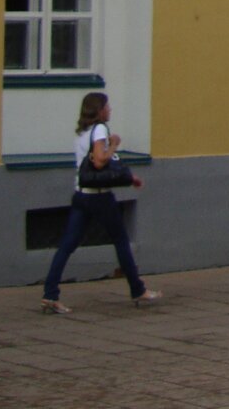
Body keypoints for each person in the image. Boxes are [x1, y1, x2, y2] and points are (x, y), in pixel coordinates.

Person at [40, 91, 162, 314]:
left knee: (67, 245)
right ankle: (138, 289)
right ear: (99, 109)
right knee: (121, 241)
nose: (110, 110)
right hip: (100, 196)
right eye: (107, 106)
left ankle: (50, 294)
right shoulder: (100, 129)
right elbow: (99, 161)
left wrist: (129, 178)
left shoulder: (82, 131)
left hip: (81, 194)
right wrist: (113, 143)